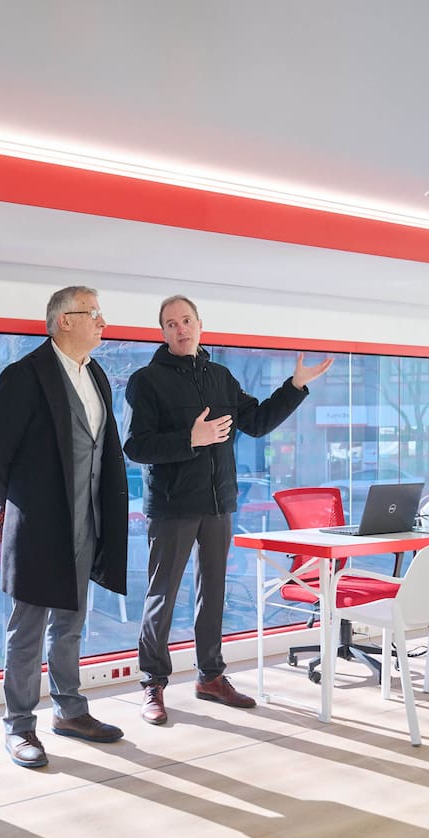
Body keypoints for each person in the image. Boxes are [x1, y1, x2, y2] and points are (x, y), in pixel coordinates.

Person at [123, 294, 333, 724]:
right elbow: (136, 446)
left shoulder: (221, 377)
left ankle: (211, 677)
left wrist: (294, 387)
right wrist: (190, 439)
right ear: (162, 332)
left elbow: (256, 423)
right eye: (171, 323)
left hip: (219, 503)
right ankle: (153, 684)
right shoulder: (146, 381)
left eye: (186, 320)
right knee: (162, 597)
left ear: (200, 325)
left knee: (213, 594)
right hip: (172, 506)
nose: (180, 329)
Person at [0, 286, 129, 768]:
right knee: (27, 629)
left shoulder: (97, 374)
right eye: (94, 313)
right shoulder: (23, 375)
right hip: (39, 524)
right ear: (65, 320)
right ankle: (19, 725)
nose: (102, 322)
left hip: (90, 519)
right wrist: (24, 504)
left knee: (71, 624)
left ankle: (70, 711)